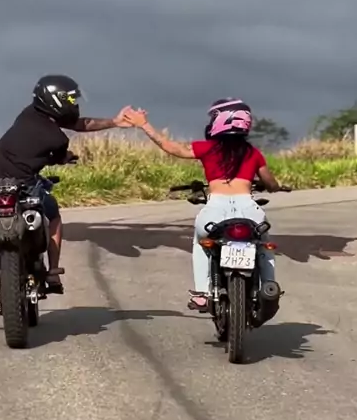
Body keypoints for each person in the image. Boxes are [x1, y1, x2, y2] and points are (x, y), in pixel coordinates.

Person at [0, 74, 132, 297]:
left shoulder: (28, 113)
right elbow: (62, 150)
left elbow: (79, 124)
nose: (74, 104)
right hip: (24, 185)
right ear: (58, 101)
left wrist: (114, 122)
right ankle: (53, 273)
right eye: (71, 99)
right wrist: (66, 156)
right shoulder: (58, 139)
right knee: (53, 214)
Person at [121, 99, 283, 312]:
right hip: (249, 210)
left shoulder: (208, 148)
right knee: (263, 245)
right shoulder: (253, 153)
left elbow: (172, 147)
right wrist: (275, 187)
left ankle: (202, 293)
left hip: (215, 210)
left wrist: (144, 124)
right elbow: (270, 183)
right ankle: (269, 287)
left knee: (201, 244)